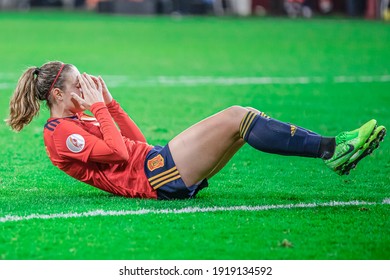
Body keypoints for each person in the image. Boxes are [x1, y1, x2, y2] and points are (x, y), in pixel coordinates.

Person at [6, 61, 386, 200]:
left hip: (155, 164)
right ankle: (332, 149)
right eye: (77, 86)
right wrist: (100, 108)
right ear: (56, 94)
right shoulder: (59, 133)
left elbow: (134, 142)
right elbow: (123, 155)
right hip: (156, 177)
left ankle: (335, 151)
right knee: (238, 115)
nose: (84, 90)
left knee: (243, 120)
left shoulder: (81, 117)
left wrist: (111, 103)